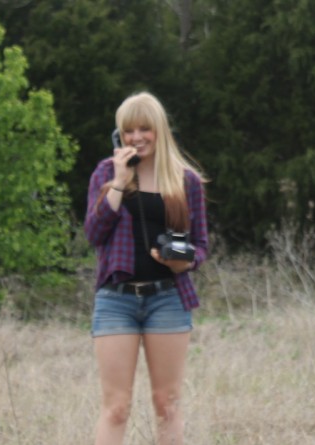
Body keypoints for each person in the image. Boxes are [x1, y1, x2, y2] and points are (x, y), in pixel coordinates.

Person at [84, 92, 208, 445]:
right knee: (116, 407)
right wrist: (120, 183)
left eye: (144, 129)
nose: (136, 137)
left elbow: (201, 246)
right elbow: (94, 233)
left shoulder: (186, 181)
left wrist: (184, 261)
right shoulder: (107, 173)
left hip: (167, 298)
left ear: (160, 130)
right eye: (128, 131)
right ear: (118, 136)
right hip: (116, 300)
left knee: (167, 404)